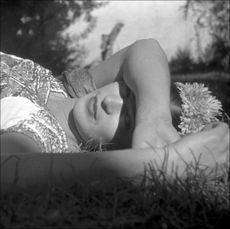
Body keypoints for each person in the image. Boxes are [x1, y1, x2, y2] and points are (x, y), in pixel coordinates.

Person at [1, 39, 229, 194]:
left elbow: (8, 170)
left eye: (127, 120)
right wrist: (153, 118)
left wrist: (162, 164)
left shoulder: (42, 137)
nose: (109, 102)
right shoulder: (71, 89)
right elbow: (145, 48)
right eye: (126, 90)